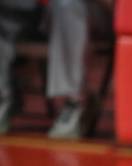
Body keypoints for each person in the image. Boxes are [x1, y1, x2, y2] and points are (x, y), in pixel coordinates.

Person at [0, 0, 113, 139]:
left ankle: (76, 102)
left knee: (67, 4)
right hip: (41, 10)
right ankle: (5, 95)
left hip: (92, 9)